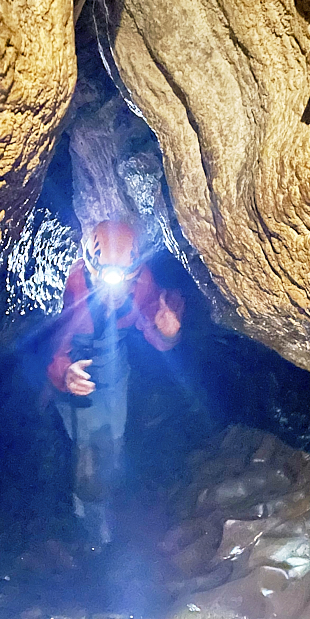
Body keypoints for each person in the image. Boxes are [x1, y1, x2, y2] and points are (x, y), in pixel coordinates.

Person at [48, 220, 185, 546]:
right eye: (108, 278)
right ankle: (90, 528)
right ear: (90, 268)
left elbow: (155, 323)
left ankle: (108, 506)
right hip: (78, 374)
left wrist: (169, 331)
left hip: (115, 368)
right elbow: (47, 345)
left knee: (114, 441)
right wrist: (65, 374)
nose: (116, 289)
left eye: (125, 278)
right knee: (89, 451)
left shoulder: (141, 283)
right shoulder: (70, 286)